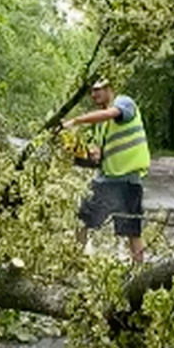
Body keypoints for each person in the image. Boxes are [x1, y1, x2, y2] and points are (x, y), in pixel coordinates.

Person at [62, 79, 151, 263]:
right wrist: (84, 155)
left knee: (132, 231)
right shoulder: (102, 125)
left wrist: (77, 121)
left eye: (98, 90)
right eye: (91, 92)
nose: (94, 95)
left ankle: (140, 272)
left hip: (128, 181)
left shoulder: (124, 102)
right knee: (82, 220)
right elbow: (99, 157)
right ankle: (73, 262)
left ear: (110, 88)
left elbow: (113, 113)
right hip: (106, 180)